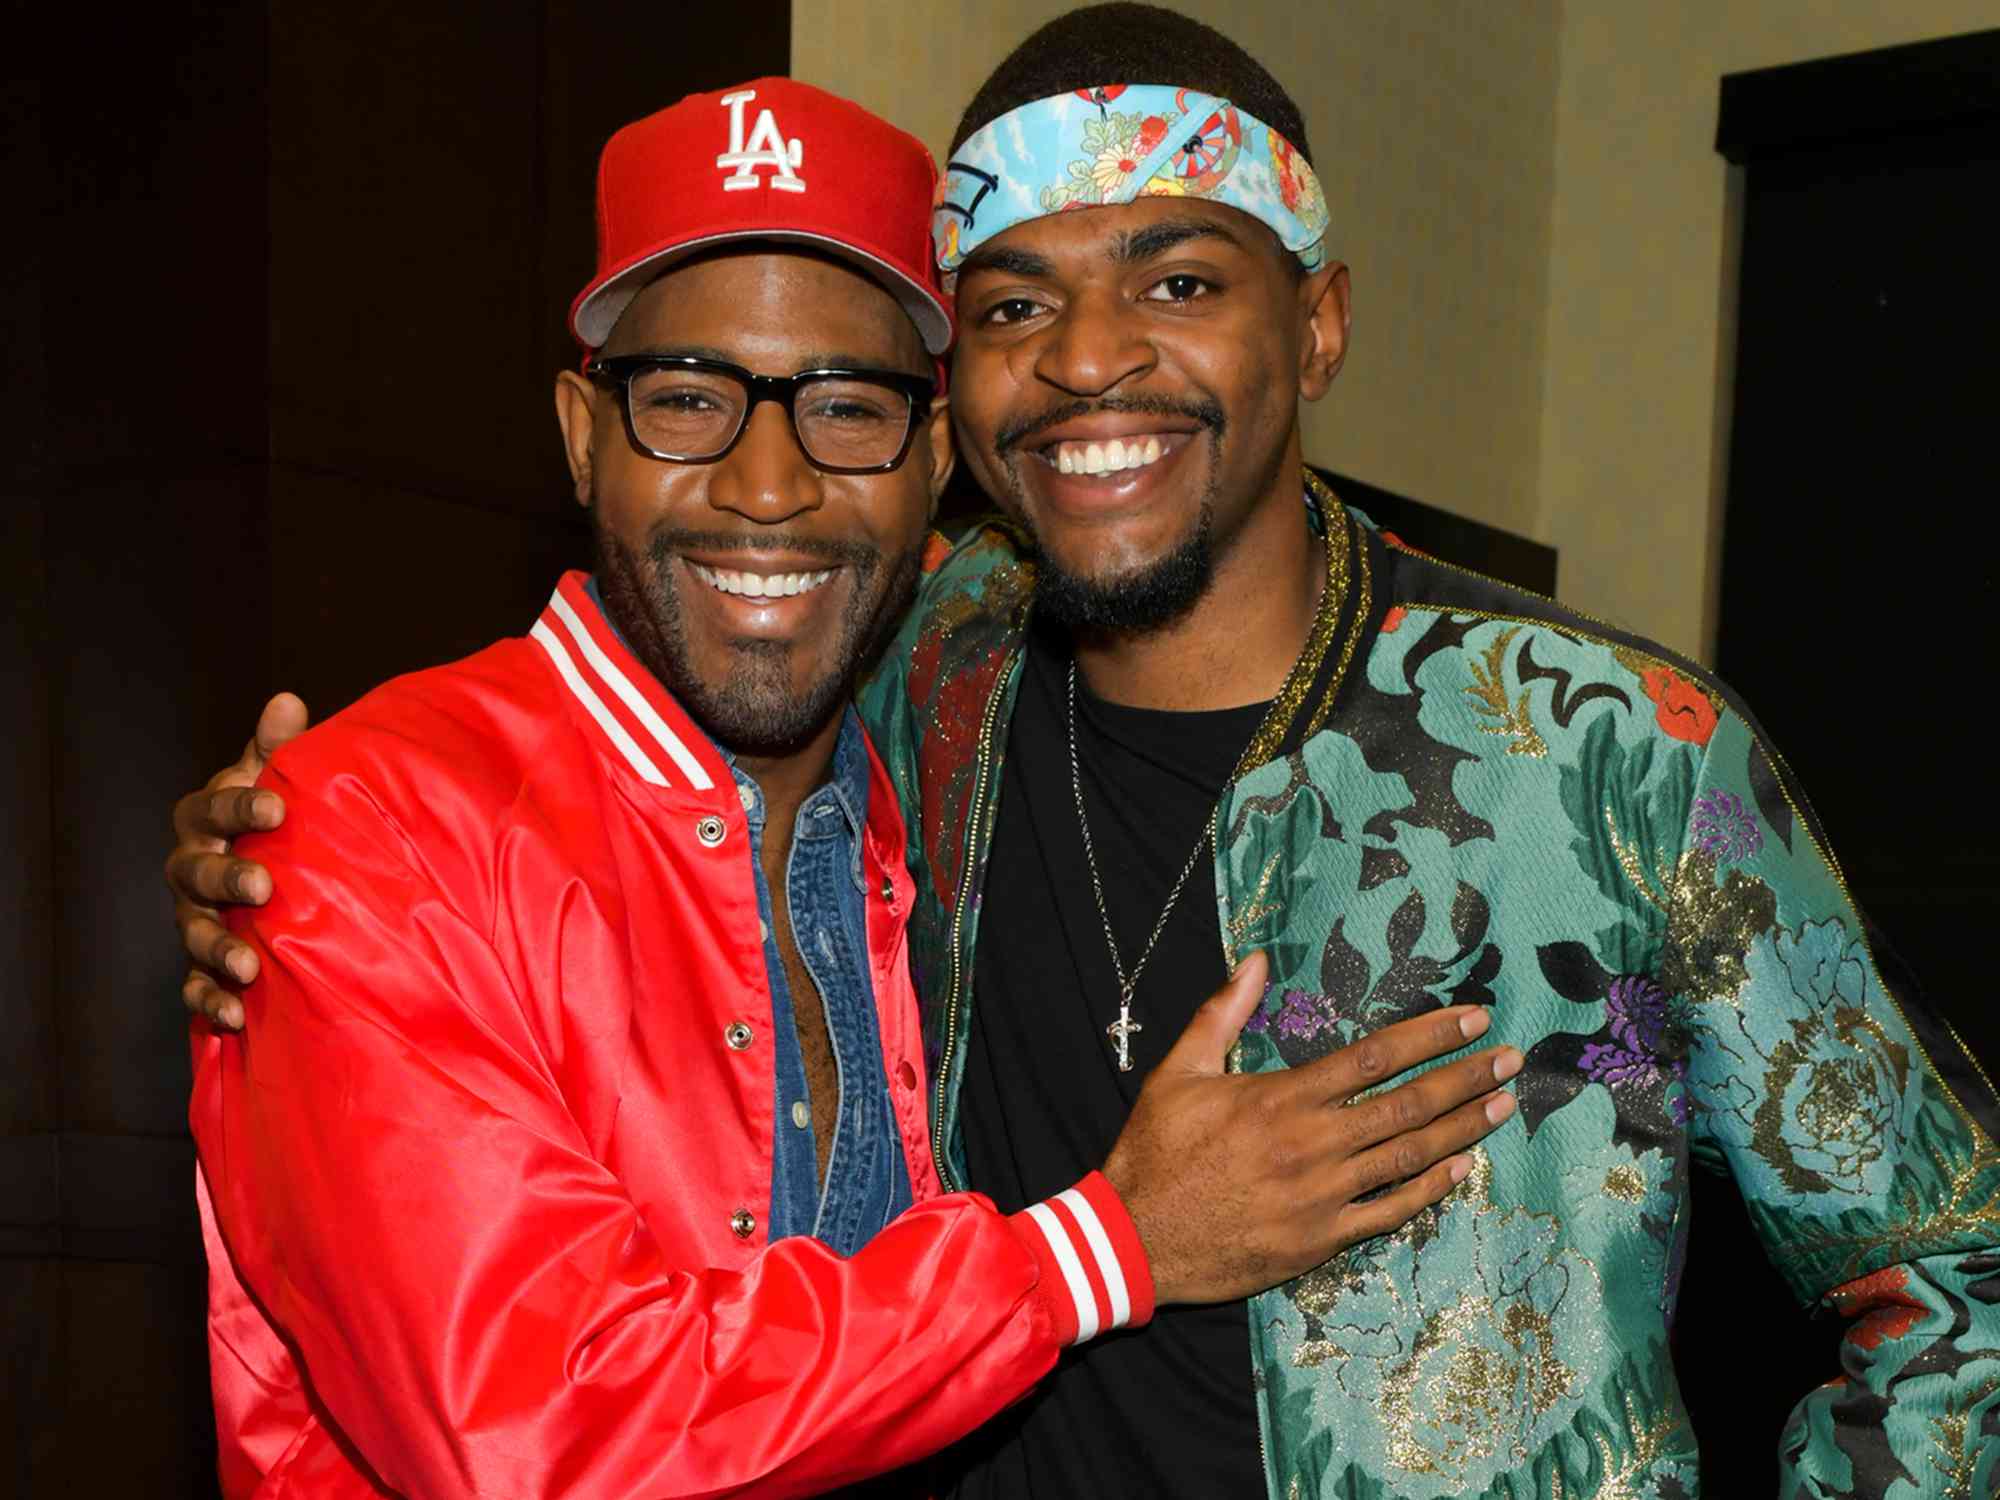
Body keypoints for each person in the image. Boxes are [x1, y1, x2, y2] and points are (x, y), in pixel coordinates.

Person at [171, 8, 2000, 1498]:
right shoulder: (916, 677)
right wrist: (299, 843)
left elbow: (1964, 1285)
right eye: (1015, 303)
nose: (1091, 363)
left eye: (1181, 281)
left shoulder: (1611, 751)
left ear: (1323, 321)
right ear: (960, 397)